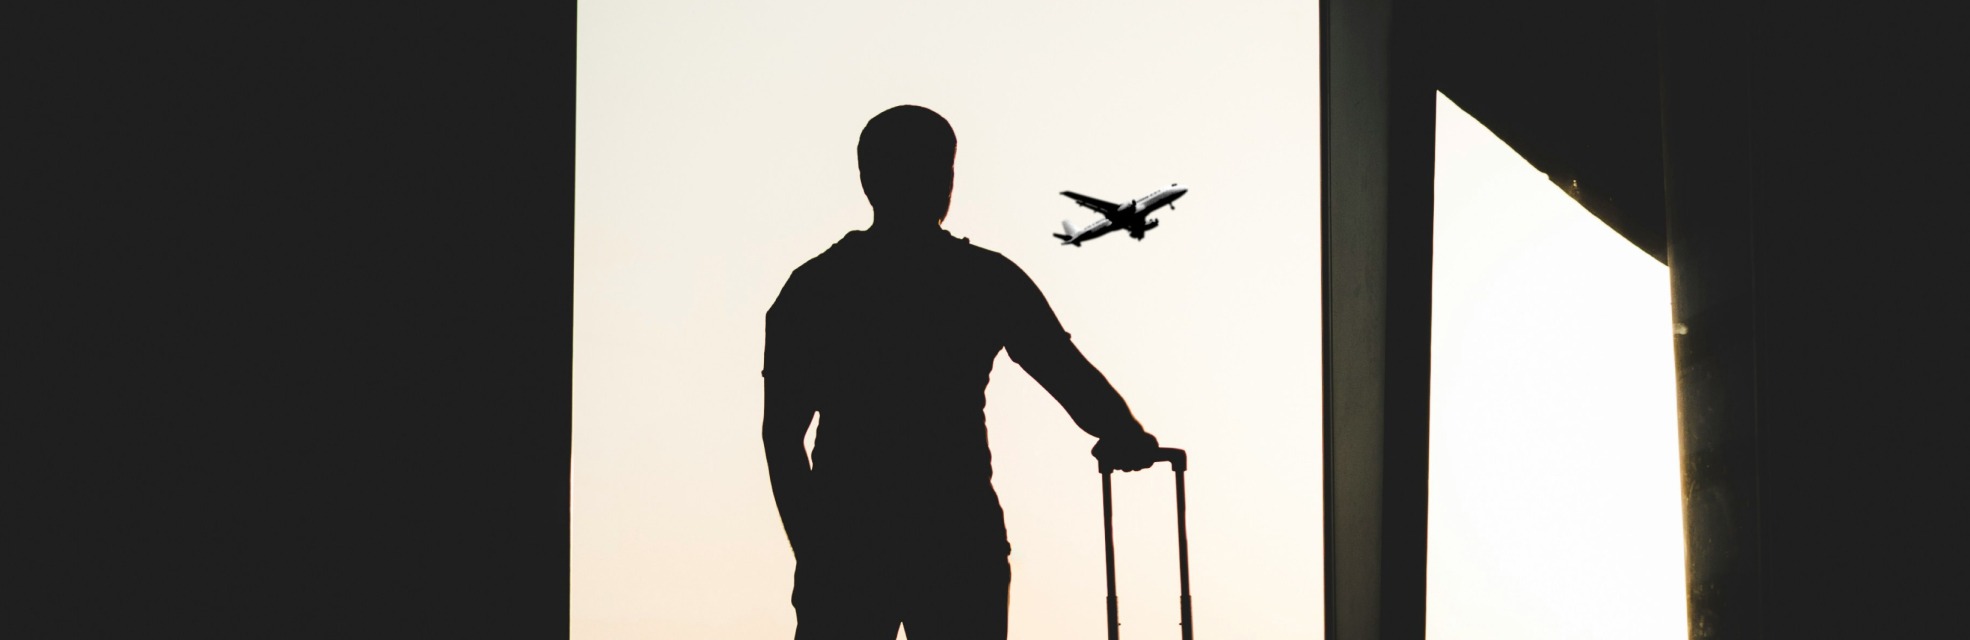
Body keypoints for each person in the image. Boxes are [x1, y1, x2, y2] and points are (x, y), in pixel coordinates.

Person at [762, 105, 1163, 640]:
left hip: (854, 536)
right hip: (954, 536)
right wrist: (1123, 434)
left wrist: (816, 547)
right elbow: (1066, 373)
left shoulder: (815, 287)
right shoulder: (982, 280)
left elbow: (781, 437)